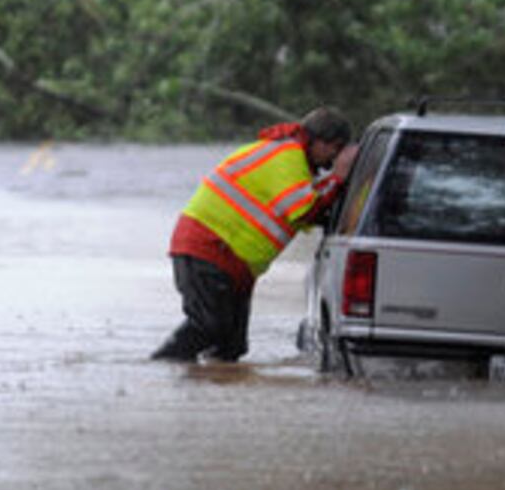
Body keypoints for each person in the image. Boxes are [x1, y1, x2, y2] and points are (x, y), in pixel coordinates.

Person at [151, 107, 355, 362]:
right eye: (336, 149)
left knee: (231, 347)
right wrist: (338, 179)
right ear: (321, 142)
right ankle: (159, 370)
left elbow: (311, 209)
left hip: (230, 261)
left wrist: (336, 184)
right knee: (207, 327)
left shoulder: (291, 159)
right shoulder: (287, 156)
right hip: (209, 248)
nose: (333, 159)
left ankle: (201, 394)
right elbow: (305, 212)